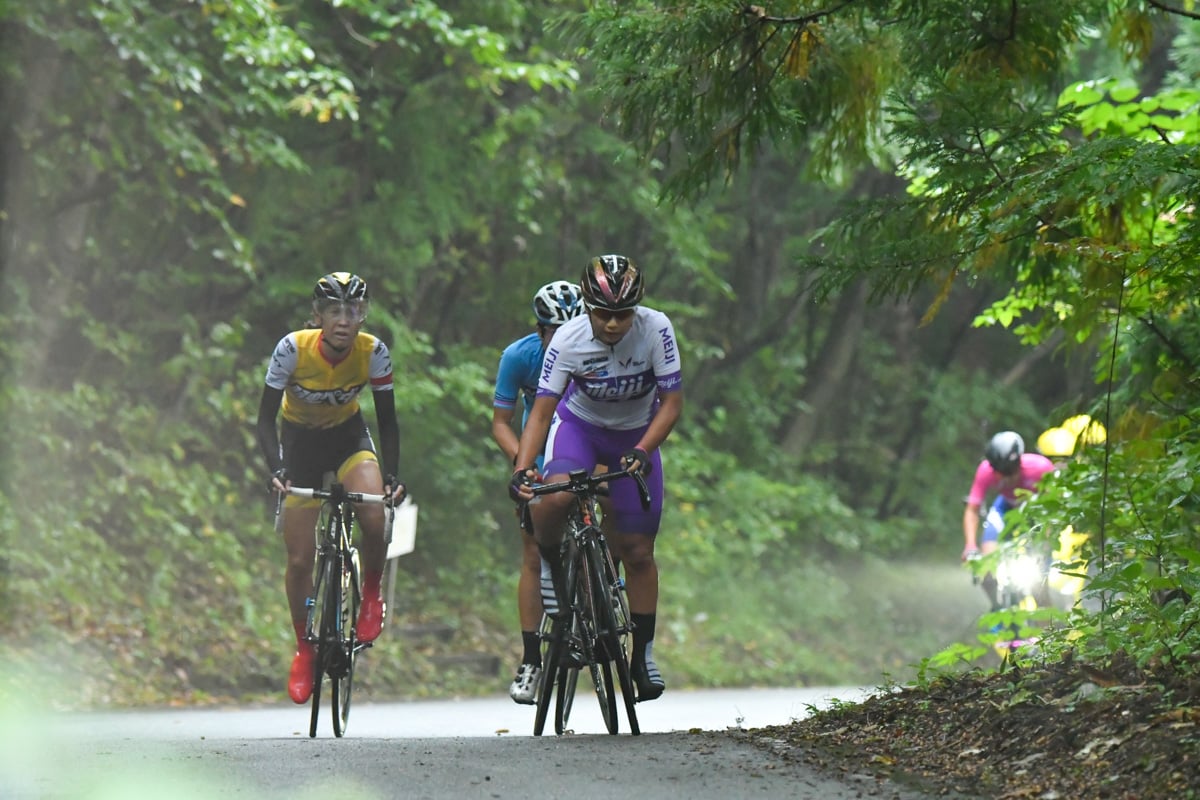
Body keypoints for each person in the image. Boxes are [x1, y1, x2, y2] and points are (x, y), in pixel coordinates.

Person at [510, 254, 683, 702]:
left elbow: (671, 404)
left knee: (639, 550)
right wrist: (521, 469)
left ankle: (641, 654)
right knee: (553, 498)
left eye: (622, 314)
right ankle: (552, 563)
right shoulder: (566, 340)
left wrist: (644, 451)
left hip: (635, 436)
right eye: (603, 314)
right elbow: (543, 410)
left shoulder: (656, 330)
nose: (612, 324)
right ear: (588, 308)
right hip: (580, 430)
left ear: (637, 309)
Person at [255, 272, 406, 704]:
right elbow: (265, 419)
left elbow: (389, 422)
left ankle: (371, 592)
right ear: (317, 316)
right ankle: (305, 649)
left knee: (374, 514)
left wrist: (392, 475)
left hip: (346, 438)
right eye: (334, 311)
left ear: (363, 315)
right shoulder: (292, 349)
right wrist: (276, 468)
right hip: (300, 444)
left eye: (353, 311)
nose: (344, 320)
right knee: (300, 559)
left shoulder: (373, 351)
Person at [491, 280, 585, 704]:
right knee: (532, 551)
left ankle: (600, 594)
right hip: (539, 447)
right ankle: (531, 659)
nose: (562, 341)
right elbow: (501, 422)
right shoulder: (519, 356)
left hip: (586, 442)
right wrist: (522, 464)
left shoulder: (596, 354)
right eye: (553, 333)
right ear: (539, 330)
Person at [961, 430, 1055, 610]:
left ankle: (1048, 636)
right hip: (1005, 509)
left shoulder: (1041, 467)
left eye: (1009, 471)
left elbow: (1052, 508)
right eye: (999, 472)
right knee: (985, 568)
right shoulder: (985, 471)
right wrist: (970, 546)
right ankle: (997, 608)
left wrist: (1045, 542)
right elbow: (972, 509)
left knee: (1039, 588)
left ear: (1019, 463)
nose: (1005, 477)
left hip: (1036, 514)